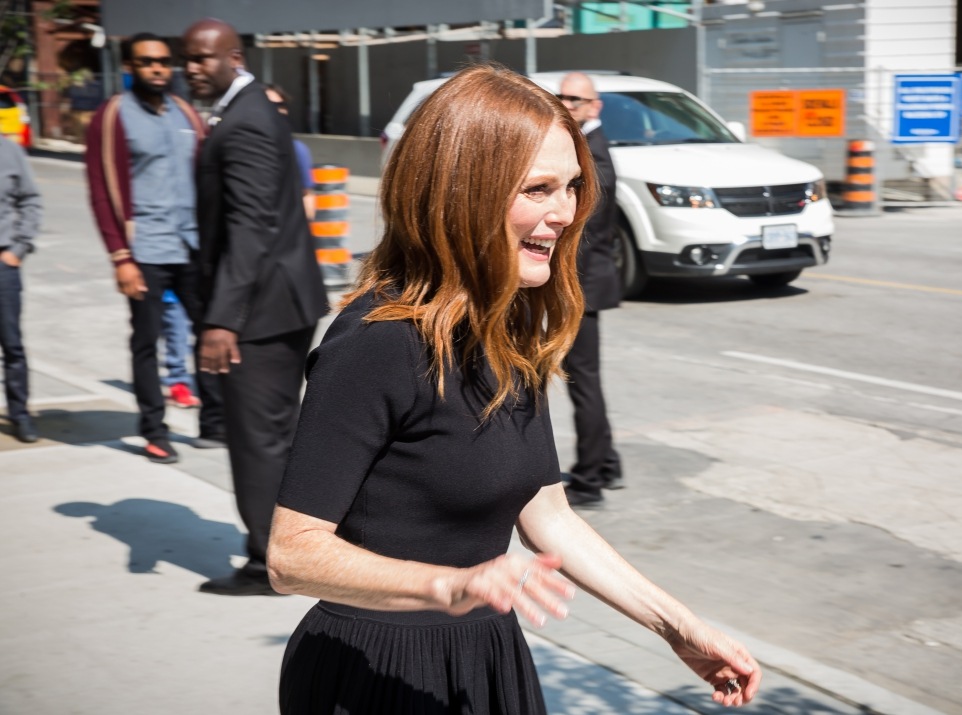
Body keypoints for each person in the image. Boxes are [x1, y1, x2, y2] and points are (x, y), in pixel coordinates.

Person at [267, 65, 760, 713]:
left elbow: (548, 515)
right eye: (539, 188)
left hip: (487, 657)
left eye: (573, 187)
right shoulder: (376, 341)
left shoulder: (507, 328)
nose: (565, 212)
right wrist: (450, 583)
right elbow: (291, 556)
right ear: (460, 192)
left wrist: (678, 627)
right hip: (377, 672)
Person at [182, 19, 328, 596]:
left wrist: (222, 318)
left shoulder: (243, 122)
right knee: (277, 435)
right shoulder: (247, 110)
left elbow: (250, 228)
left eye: (202, 59)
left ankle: (271, 564)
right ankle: (296, 548)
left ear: (233, 57)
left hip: (261, 310)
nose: (191, 68)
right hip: (281, 300)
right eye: (186, 59)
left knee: (257, 440)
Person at [85, 31, 224, 464]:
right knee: (147, 342)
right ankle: (154, 430)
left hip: (192, 245)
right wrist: (120, 257)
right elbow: (101, 192)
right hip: (144, 249)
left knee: (210, 333)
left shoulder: (185, 113)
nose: (158, 68)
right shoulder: (112, 116)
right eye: (147, 62)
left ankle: (215, 424)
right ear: (129, 67)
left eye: (164, 61)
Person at [557, 71, 624, 508]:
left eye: (575, 100)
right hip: (581, 285)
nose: (566, 105)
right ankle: (608, 462)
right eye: (560, 97)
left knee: (583, 382)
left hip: (580, 287)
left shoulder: (594, 161)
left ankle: (589, 479)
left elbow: (582, 236)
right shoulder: (584, 152)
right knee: (585, 380)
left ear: (594, 107)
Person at [0, 134, 41, 443]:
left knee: (12, 344)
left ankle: (20, 414)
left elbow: (30, 199)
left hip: (3, 263)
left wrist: (19, 248)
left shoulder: (9, 150)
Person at [264, 84, 316, 220]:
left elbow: (307, 195)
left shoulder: (297, 149)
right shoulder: (243, 147)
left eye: (281, 106)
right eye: (269, 105)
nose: (277, 111)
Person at [160, 289, 200, 408]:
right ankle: (177, 382)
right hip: (160, 293)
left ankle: (178, 382)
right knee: (176, 337)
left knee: (179, 337)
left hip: (184, 293)